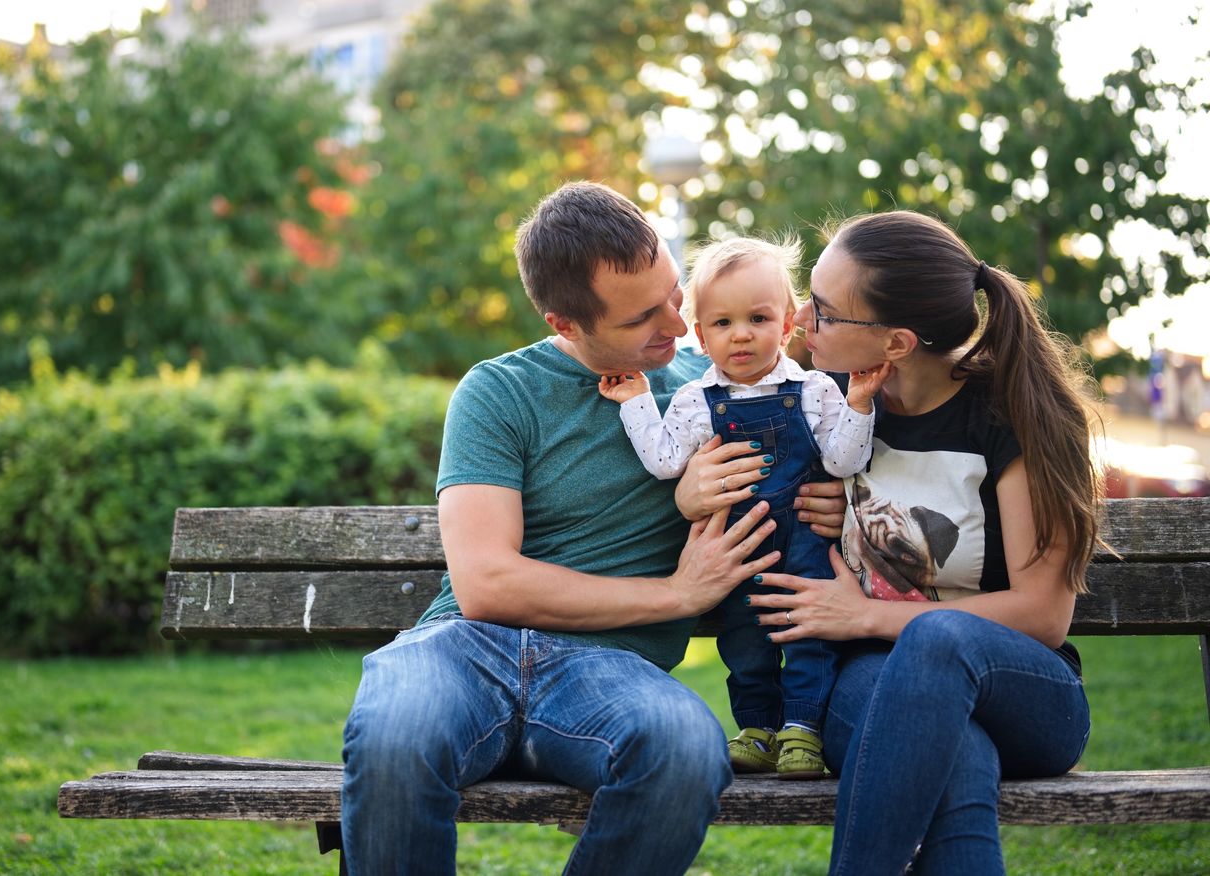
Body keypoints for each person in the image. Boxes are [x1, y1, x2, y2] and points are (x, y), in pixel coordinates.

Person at [338, 181, 849, 875]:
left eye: (675, 294)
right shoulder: (499, 392)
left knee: (684, 748)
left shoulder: (724, 386)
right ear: (567, 325)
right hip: (465, 650)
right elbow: (486, 582)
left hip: (608, 672)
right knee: (395, 738)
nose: (679, 326)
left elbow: (825, 462)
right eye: (645, 317)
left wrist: (830, 503)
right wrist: (677, 596)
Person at [683, 210, 1099, 875]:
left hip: (1024, 693)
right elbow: (702, 399)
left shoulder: (1014, 414)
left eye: (821, 311)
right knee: (955, 756)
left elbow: (1044, 615)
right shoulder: (821, 411)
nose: (799, 322)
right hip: (872, 685)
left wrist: (869, 615)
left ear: (897, 343)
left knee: (935, 642)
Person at [597, 236, 889, 778]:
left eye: (758, 317)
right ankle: (758, 727)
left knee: (807, 632)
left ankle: (803, 729)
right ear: (701, 336)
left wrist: (860, 405)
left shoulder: (815, 389)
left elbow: (845, 461)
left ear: (785, 325)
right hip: (740, 548)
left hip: (805, 539)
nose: (742, 334)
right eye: (723, 323)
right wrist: (637, 400)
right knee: (745, 638)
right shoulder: (693, 401)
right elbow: (664, 461)